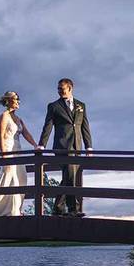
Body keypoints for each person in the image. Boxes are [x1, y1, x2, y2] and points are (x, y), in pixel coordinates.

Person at [38, 78, 93, 216]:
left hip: (77, 147)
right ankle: (73, 209)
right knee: (70, 175)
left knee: (68, 177)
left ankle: (58, 207)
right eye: (58, 89)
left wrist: (89, 147)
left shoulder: (81, 105)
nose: (59, 91)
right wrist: (42, 145)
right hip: (62, 146)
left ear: (70, 88)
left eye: (62, 89)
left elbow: (85, 126)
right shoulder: (53, 106)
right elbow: (48, 126)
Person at [0, 91, 38, 217]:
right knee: (9, 178)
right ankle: (3, 210)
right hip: (8, 148)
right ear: (9, 101)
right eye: (16, 99)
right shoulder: (4, 116)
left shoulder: (18, 119)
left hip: (18, 150)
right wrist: (4, 155)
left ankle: (16, 209)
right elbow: (0, 136)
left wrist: (35, 145)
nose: (18, 102)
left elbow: (26, 133)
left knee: (21, 178)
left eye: (18, 99)